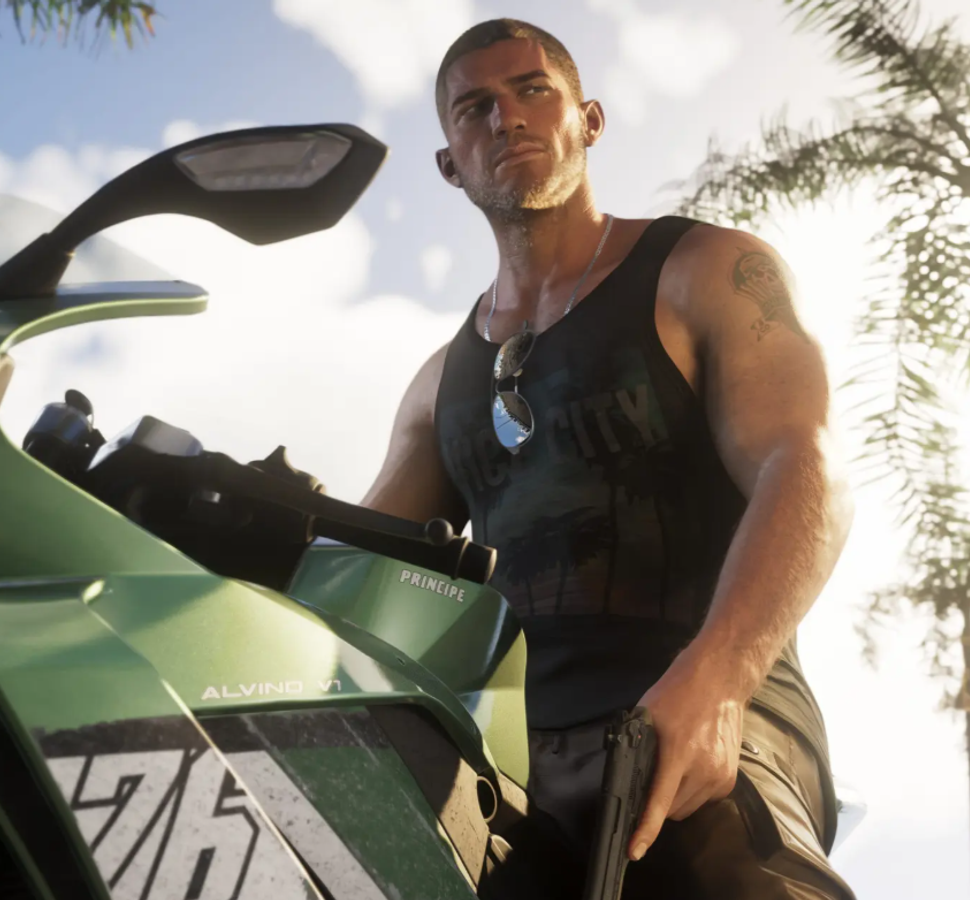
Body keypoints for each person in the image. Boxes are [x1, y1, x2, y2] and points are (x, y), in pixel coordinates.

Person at [359, 18, 857, 900]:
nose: (507, 118)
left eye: (532, 90)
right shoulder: (439, 385)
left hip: (713, 709)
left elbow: (804, 463)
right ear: (449, 163)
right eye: (475, 108)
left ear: (588, 120)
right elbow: (357, 574)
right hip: (513, 763)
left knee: (719, 867)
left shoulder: (702, 271)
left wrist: (721, 677)